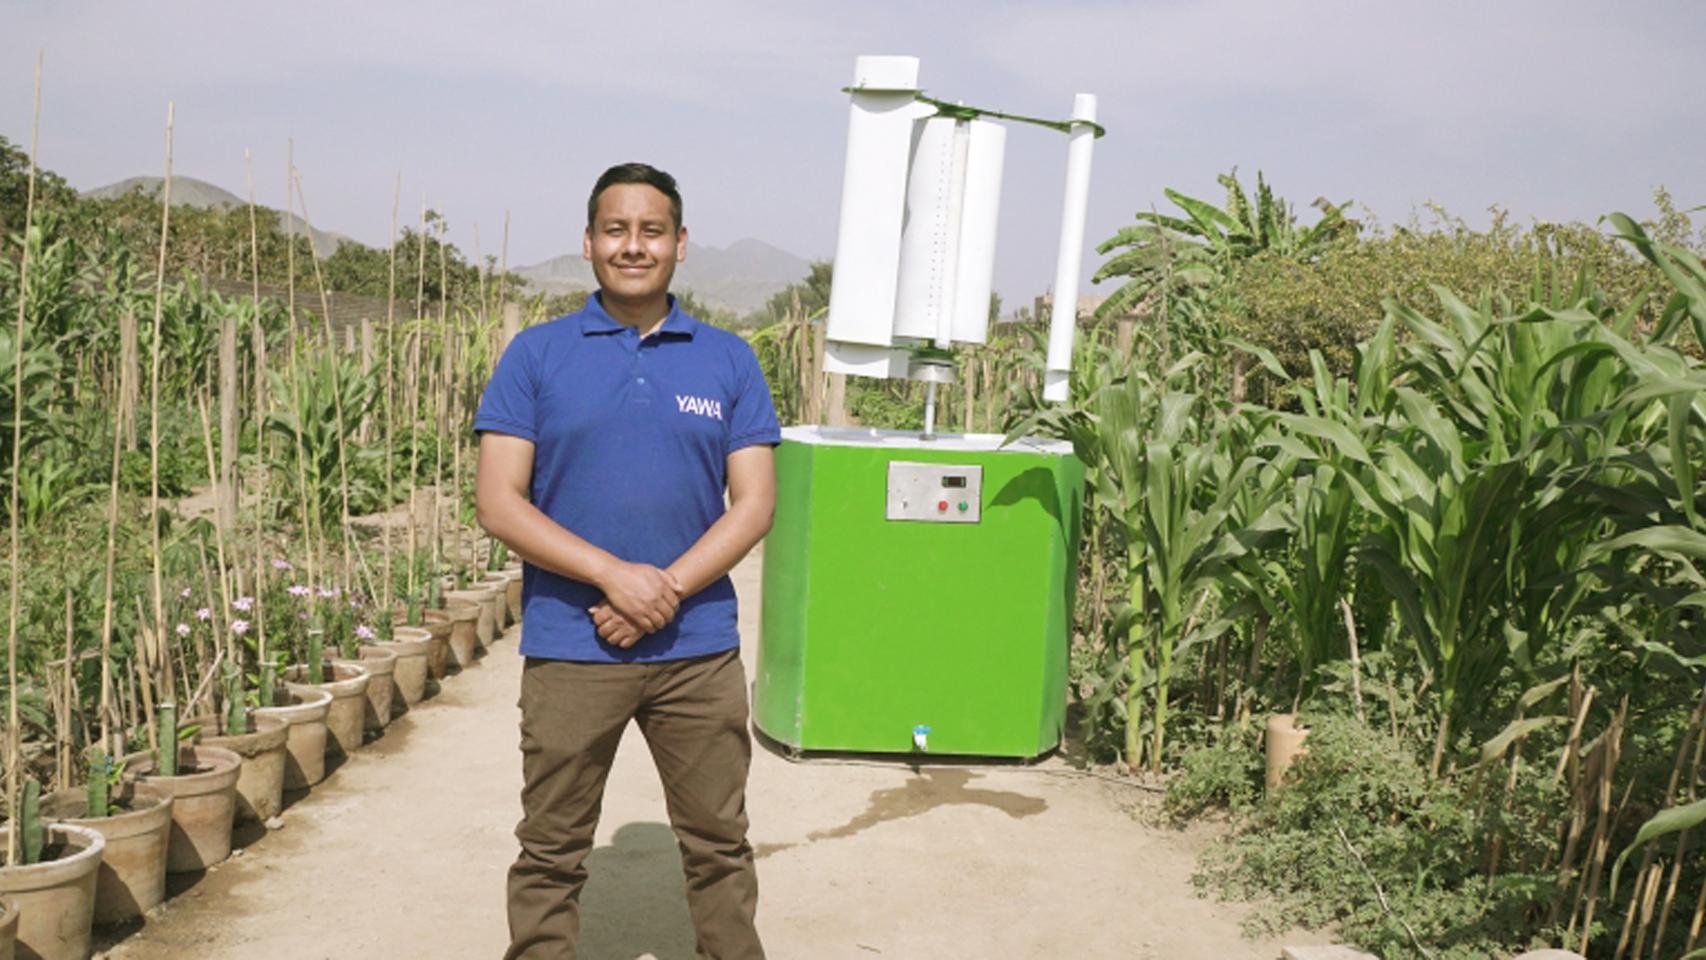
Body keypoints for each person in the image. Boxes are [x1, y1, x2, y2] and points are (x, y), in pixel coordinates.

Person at [473, 162, 778, 960]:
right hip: (574, 645)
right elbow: (500, 501)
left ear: (680, 244)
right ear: (588, 242)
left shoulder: (728, 360)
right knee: (551, 850)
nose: (632, 246)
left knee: (719, 845)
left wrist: (665, 587)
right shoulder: (536, 357)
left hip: (697, 648)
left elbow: (754, 504)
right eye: (616, 229)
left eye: (651, 231)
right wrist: (612, 575)